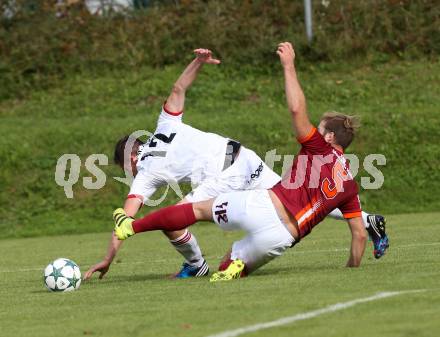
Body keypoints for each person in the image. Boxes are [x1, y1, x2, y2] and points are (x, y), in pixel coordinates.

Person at [86, 46, 388, 280]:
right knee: (297, 195)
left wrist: (109, 257)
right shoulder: (164, 124)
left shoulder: (144, 174)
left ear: (132, 157)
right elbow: (178, 90)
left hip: (225, 175)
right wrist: (198, 62)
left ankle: (196, 266)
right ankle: (366, 219)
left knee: (179, 218)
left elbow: (121, 220)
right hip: (245, 157)